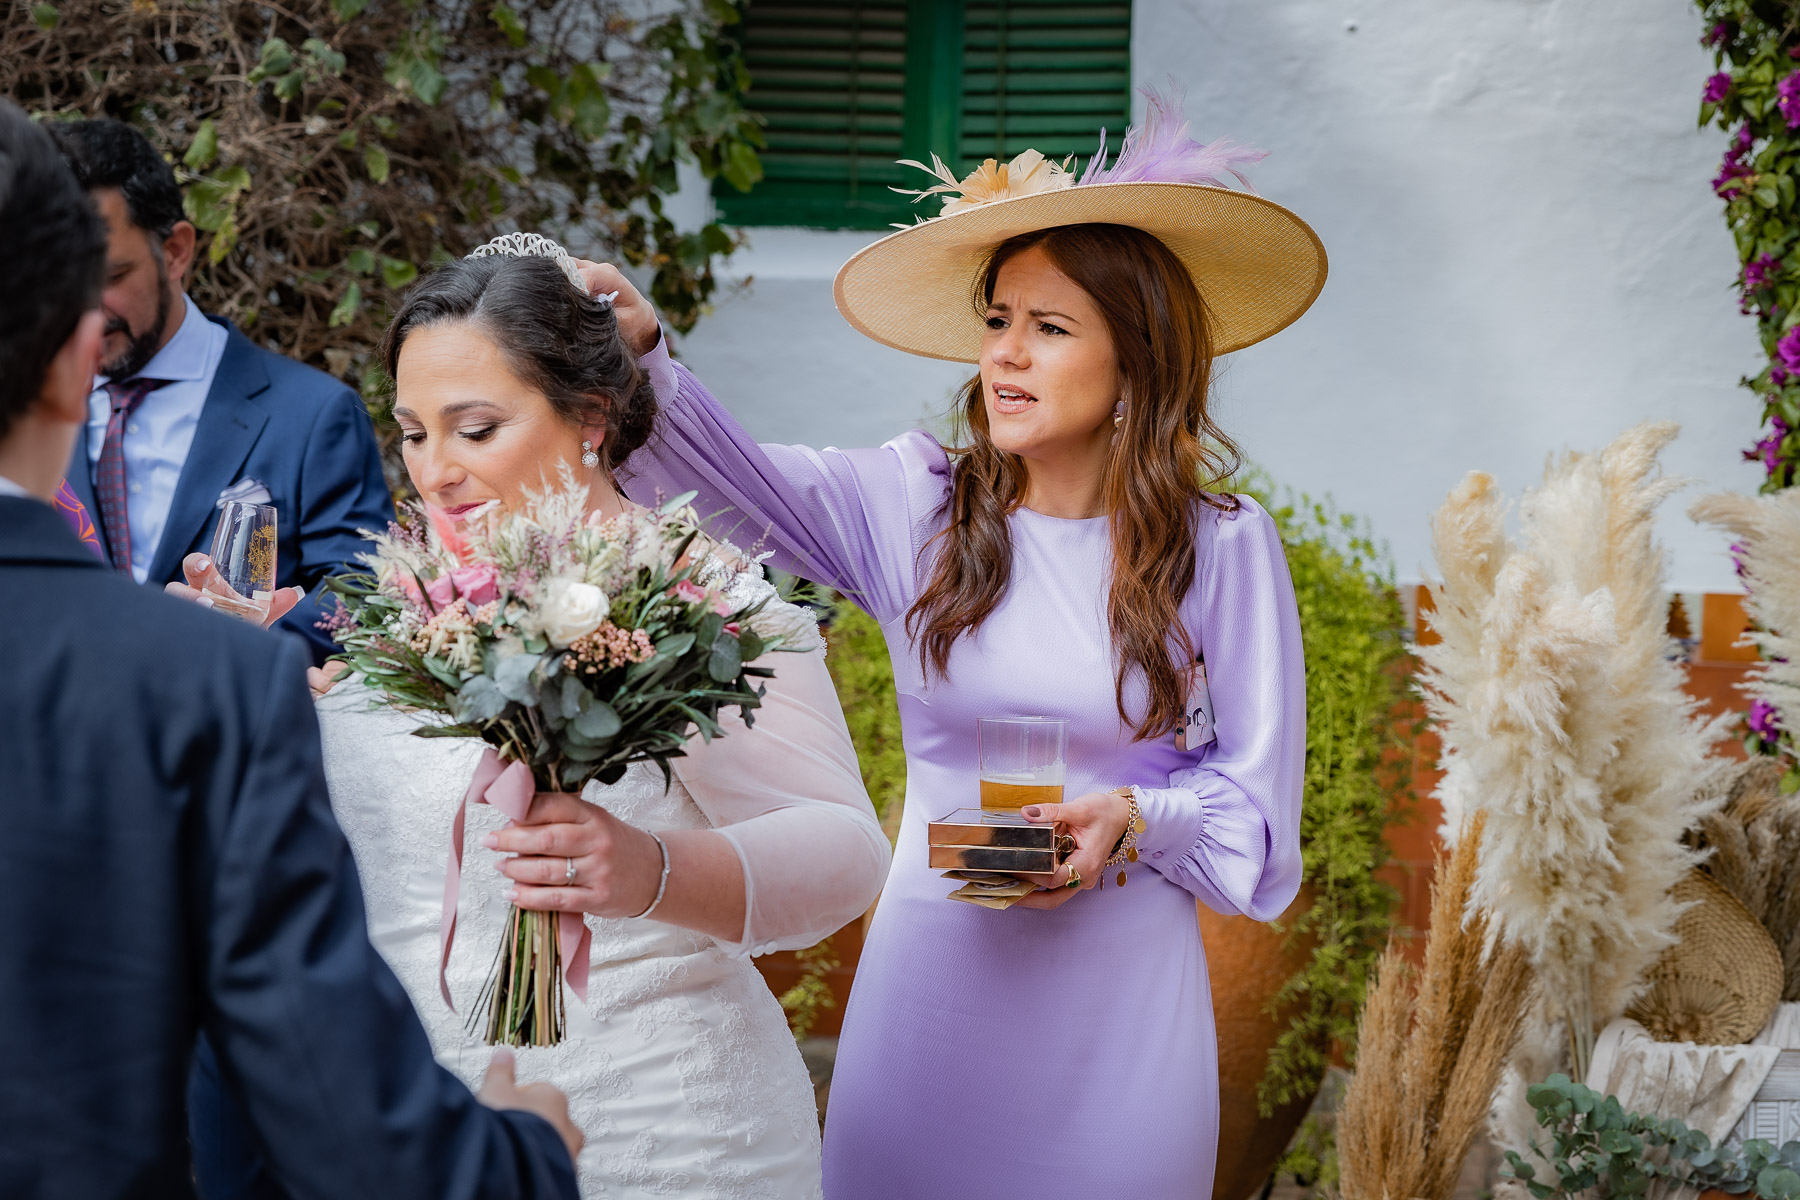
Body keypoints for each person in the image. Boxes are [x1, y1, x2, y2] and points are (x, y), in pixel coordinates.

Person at [596, 89, 1320, 1196]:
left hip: (1121, 1017)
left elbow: (1259, 818)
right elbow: (727, 487)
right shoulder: (917, 507)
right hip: (934, 989)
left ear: (1138, 357)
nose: (1006, 356)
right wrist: (641, 353)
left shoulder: (1220, 548)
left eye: (1051, 326)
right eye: (998, 321)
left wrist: (1131, 817)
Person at [220, 242, 890, 1199]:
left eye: (476, 429)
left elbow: (845, 854)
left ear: (590, 416)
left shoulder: (707, 603)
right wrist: (243, 692)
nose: (435, 472)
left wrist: (649, 869)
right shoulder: (398, 612)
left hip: (659, 1131)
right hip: (421, 1134)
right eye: (413, 434)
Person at [0, 100, 581, 1199]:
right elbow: (365, 1143)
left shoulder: (304, 416)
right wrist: (529, 1150)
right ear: (78, 354)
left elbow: (358, 591)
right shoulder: (207, 690)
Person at [49, 117, 395, 664]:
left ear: (176, 252)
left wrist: (237, 639)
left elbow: (365, 594)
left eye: (107, 276)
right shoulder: (22, 415)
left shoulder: (313, 414)